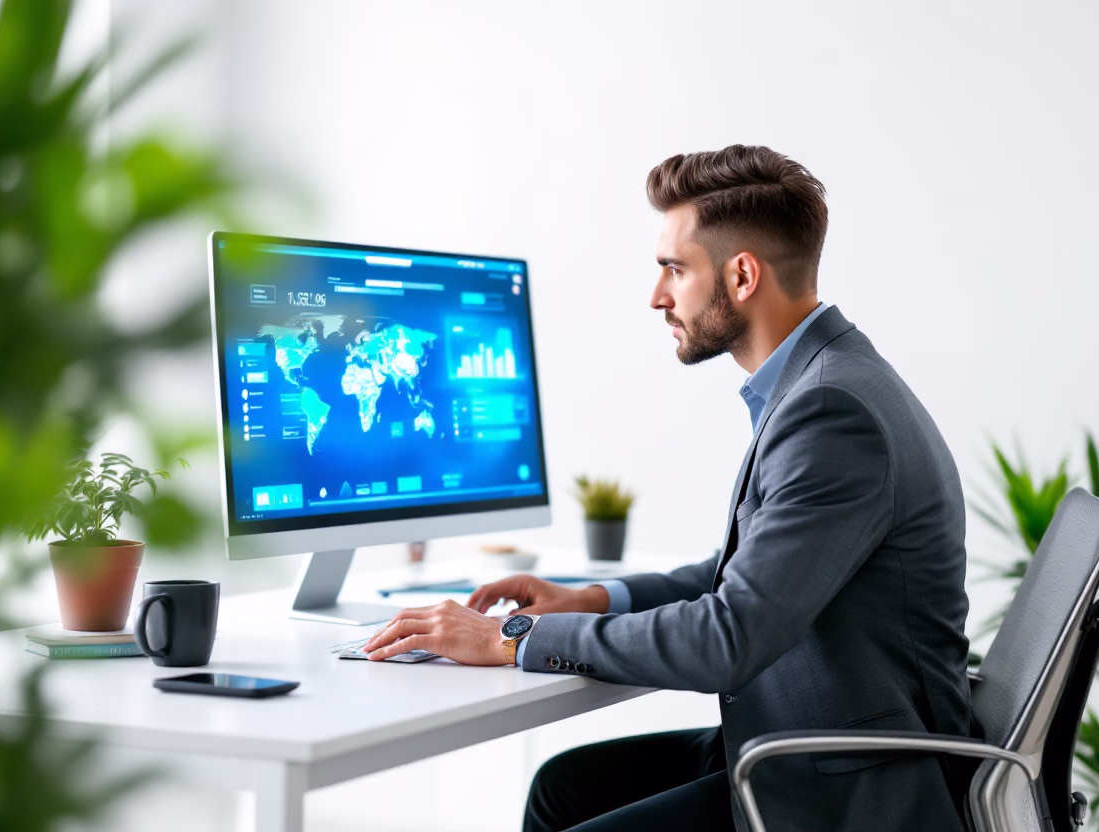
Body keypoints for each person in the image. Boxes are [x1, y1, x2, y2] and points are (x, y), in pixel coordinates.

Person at [362, 145, 974, 831]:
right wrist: (593, 597)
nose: (657, 296)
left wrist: (511, 635)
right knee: (563, 788)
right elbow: (743, 576)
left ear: (742, 275)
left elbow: (730, 635)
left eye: (674, 270)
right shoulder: (825, 382)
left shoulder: (833, 413)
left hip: (848, 787)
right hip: (799, 741)